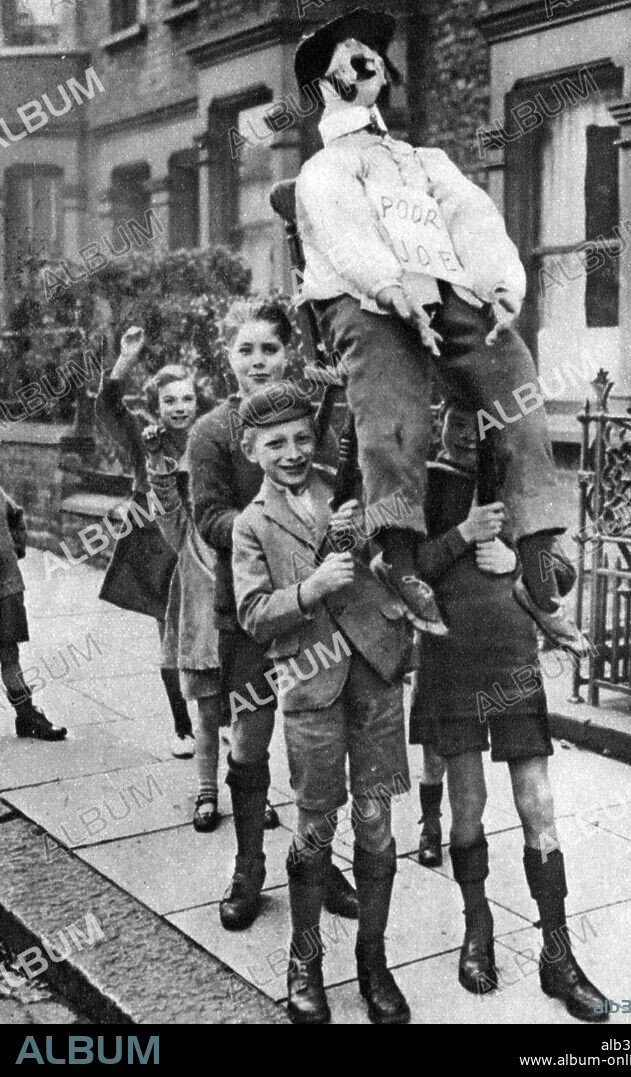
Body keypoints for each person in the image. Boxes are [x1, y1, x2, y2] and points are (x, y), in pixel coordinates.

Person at [293, 7, 583, 651]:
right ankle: (397, 551)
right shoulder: (327, 167)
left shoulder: (424, 159)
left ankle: (536, 558)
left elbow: (471, 216)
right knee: (395, 410)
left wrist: (503, 284)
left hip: (445, 289)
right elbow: (345, 233)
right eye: (347, 58)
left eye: (369, 54)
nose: (364, 62)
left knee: (516, 382)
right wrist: (391, 289)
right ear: (326, 84)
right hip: (362, 298)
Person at [409, 399, 608, 1023]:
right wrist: (464, 536)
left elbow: (560, 568)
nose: (467, 429)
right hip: (451, 656)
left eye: (480, 417)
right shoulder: (424, 482)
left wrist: (520, 562)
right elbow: (403, 568)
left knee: (538, 804)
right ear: (439, 415)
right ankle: (477, 930)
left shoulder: (518, 480)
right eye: (455, 416)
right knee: (468, 803)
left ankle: (558, 953)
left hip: (512, 656)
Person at [233, 384, 414, 1025]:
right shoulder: (251, 524)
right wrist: (309, 589)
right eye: (275, 443)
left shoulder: (347, 490)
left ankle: (373, 962)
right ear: (252, 450)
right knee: (315, 826)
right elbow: (254, 615)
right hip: (310, 689)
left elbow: (399, 561)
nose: (291, 452)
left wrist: (365, 541)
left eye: (302, 438)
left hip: (375, 676)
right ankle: (304, 962)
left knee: (376, 820)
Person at [189, 300, 356, 930]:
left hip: (322, 613)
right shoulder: (210, 432)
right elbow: (209, 519)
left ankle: (318, 858)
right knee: (252, 735)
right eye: (245, 350)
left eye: (270, 349)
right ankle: (249, 865)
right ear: (226, 357)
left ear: (288, 353)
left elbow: (339, 494)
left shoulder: (313, 422)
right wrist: (272, 536)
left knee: (317, 738)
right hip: (252, 610)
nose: (258, 362)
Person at [95, 327, 206, 758]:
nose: (180, 407)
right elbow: (107, 407)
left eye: (187, 399)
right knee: (171, 636)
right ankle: (183, 728)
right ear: (157, 407)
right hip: (156, 546)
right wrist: (125, 359)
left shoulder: (207, 438)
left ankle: (215, 721)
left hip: (199, 544)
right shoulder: (144, 438)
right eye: (170, 401)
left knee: (214, 632)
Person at [142, 413, 224, 832]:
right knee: (208, 721)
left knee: (248, 726)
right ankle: (207, 791)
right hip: (202, 644)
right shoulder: (185, 532)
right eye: (194, 486)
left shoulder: (243, 529)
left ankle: (250, 790)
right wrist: (158, 459)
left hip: (244, 642)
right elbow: (164, 497)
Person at [0, 487, 66, 740]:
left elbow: (16, 514)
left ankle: (26, 715)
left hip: (6, 586)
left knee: (9, 654)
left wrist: (15, 548)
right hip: (7, 585)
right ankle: (27, 715)